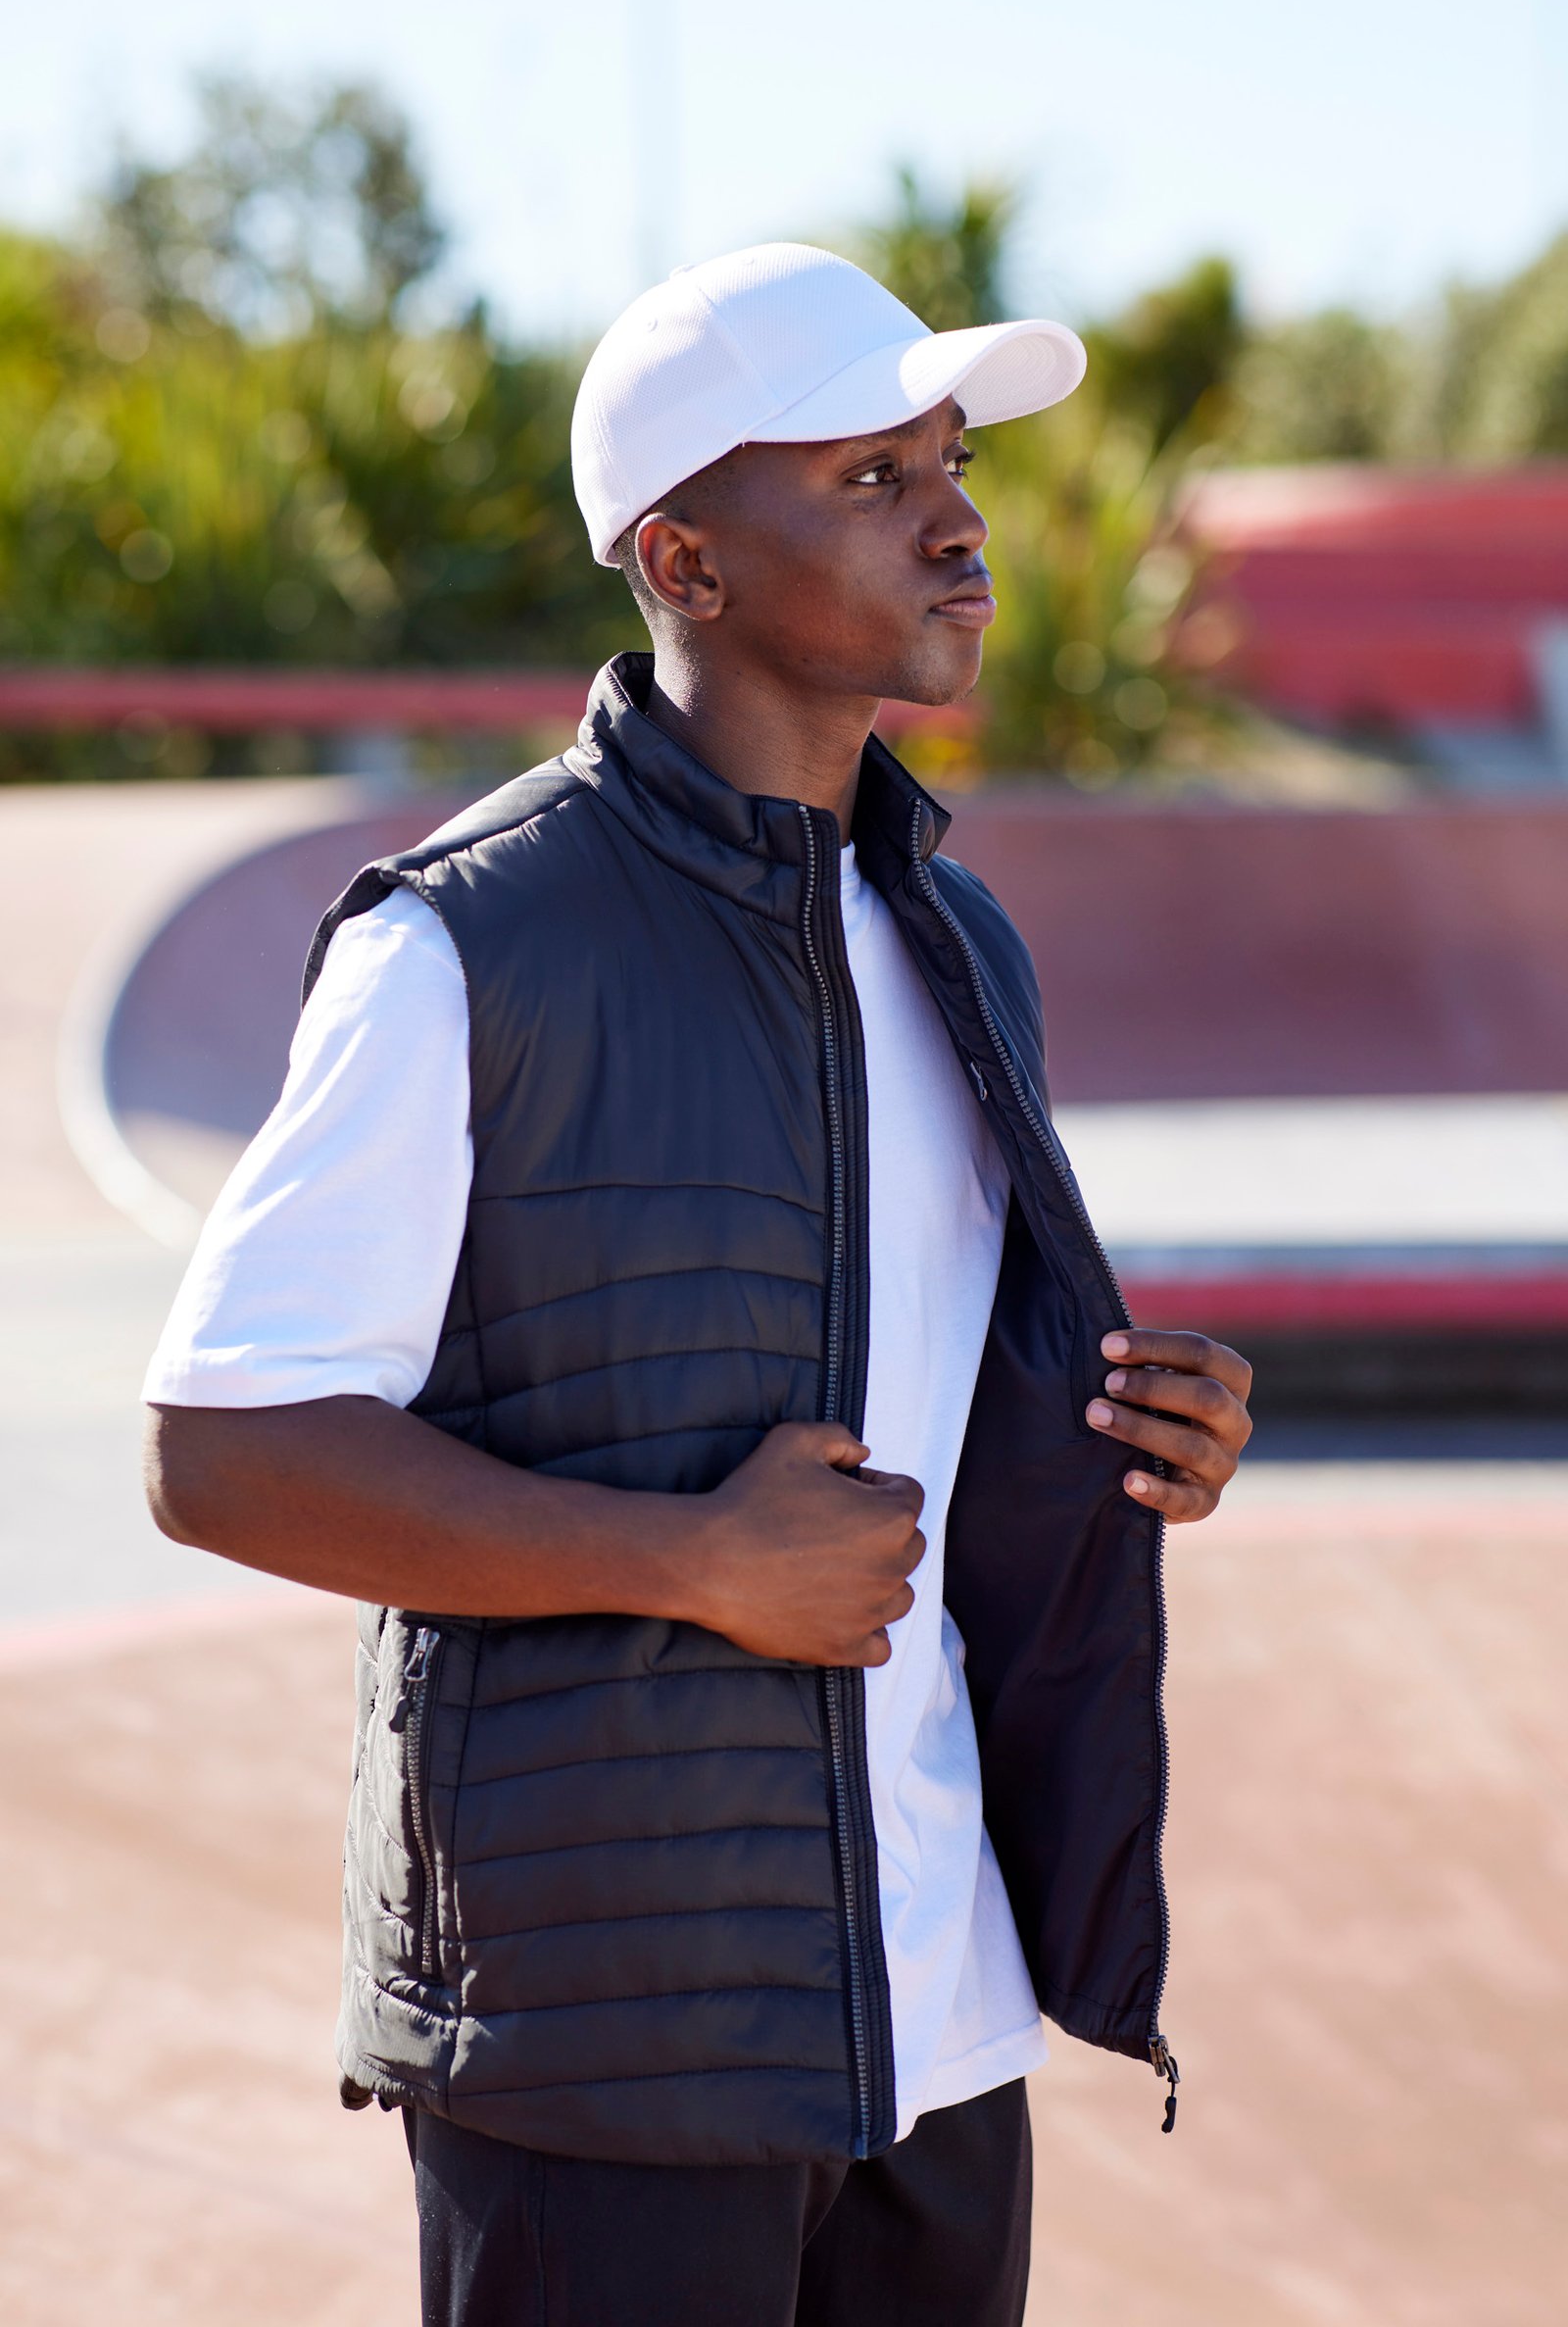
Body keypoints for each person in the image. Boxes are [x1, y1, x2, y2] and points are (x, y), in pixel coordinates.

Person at [143, 241, 1253, 2327]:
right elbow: (221, 1449)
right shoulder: (465, 946)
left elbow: (916, 1395)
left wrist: (1122, 1444)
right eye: (868, 477)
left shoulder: (958, 941)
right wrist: (688, 1562)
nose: (956, 518)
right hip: (610, 2048)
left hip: (938, 2022)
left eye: (951, 461)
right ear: (683, 560)